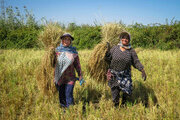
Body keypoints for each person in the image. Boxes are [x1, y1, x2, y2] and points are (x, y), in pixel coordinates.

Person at [105, 31, 147, 107]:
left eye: (127, 38)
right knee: (115, 91)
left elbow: (136, 62)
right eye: (123, 37)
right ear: (120, 39)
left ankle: (124, 104)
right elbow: (108, 60)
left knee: (127, 91)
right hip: (114, 73)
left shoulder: (131, 51)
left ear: (129, 40)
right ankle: (116, 105)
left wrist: (142, 70)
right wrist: (107, 54)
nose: (125, 39)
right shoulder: (115, 48)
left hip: (125, 74)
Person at [54, 33, 84, 108]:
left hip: (70, 77)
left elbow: (77, 65)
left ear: (70, 41)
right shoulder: (56, 51)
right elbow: (51, 63)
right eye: (65, 39)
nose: (66, 41)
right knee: (61, 94)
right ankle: (63, 109)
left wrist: (80, 75)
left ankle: (70, 110)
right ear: (62, 40)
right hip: (59, 77)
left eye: (68, 39)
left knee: (68, 94)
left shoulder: (73, 52)